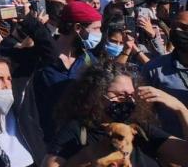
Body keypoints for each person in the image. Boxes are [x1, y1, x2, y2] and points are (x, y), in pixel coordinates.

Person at [45, 61, 188, 166]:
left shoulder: (139, 129)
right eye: (120, 96)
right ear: (97, 95)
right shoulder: (77, 130)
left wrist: (181, 110)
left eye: (132, 95)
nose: (128, 101)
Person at [28, 0, 100, 146]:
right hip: (46, 142)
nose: (99, 34)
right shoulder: (39, 58)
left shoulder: (88, 59)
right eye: (96, 28)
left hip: (78, 142)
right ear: (78, 28)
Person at [142, 10, 188, 137]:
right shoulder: (154, 69)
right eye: (174, 27)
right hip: (174, 148)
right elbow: (145, 115)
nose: (178, 32)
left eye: (185, 28)